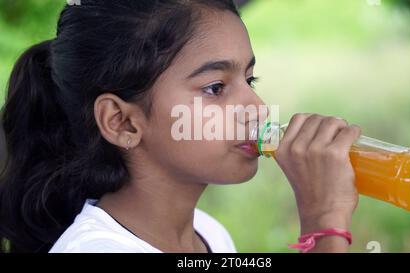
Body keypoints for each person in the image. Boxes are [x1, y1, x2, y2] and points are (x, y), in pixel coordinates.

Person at [0, 0, 361, 253]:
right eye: (215, 88)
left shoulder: (206, 234)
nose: (257, 108)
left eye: (249, 80)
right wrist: (322, 223)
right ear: (122, 122)